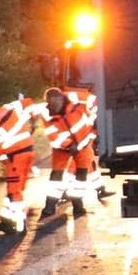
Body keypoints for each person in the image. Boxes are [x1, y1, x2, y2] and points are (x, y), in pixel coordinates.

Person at [0, 95, 41, 232]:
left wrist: (5, 163)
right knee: (16, 189)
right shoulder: (9, 107)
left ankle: (20, 224)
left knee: (14, 191)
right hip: (28, 151)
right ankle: (6, 220)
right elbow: (28, 102)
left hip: (15, 157)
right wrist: (34, 121)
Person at [40, 86, 98, 218]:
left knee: (80, 177)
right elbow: (53, 136)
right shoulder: (47, 115)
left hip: (83, 145)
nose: (53, 106)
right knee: (56, 178)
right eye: (50, 103)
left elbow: (89, 126)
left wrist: (81, 144)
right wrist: (69, 145)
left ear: (61, 98)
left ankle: (78, 206)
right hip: (62, 148)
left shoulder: (77, 106)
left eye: (55, 102)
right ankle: (49, 207)